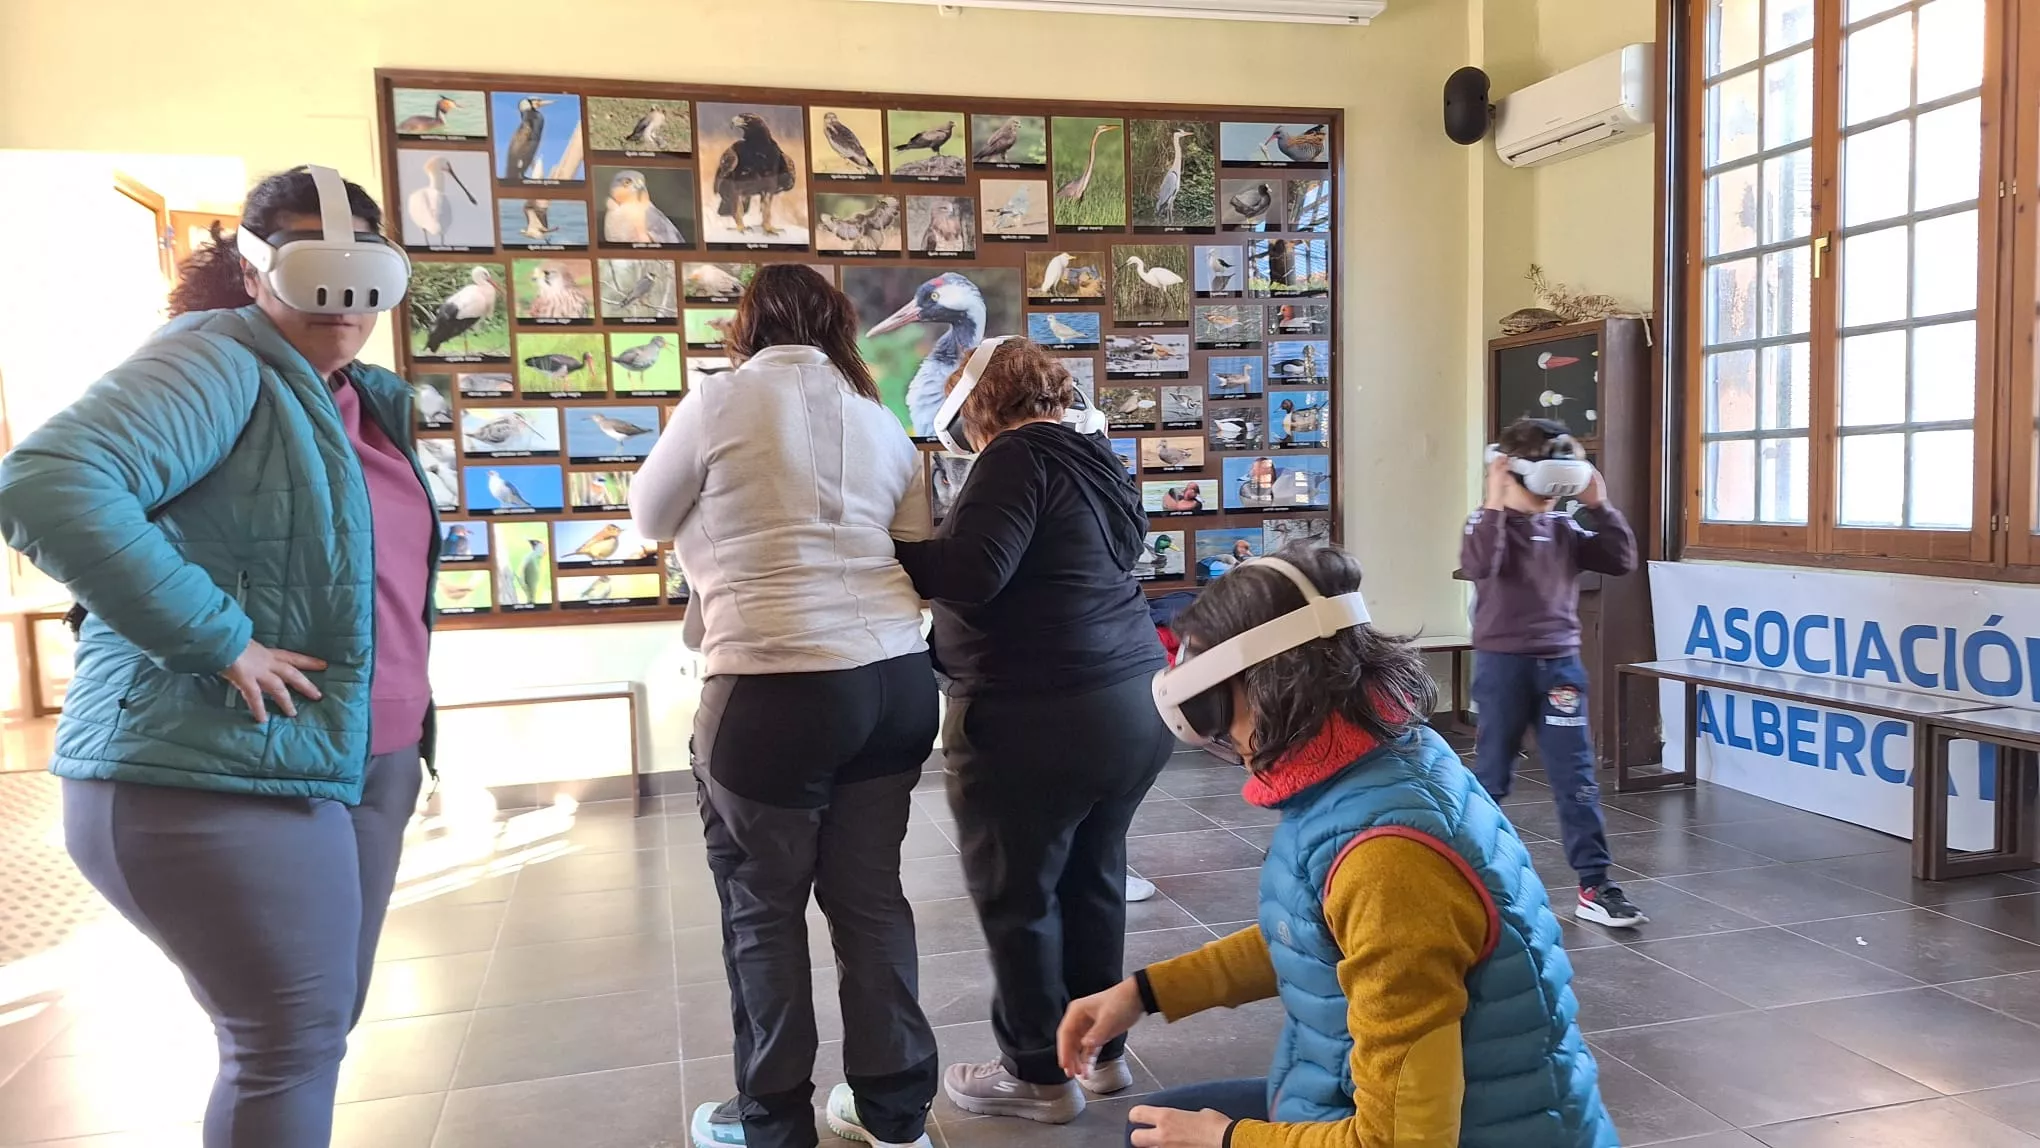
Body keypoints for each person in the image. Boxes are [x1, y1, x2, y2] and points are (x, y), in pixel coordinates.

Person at [0, 167, 435, 1148]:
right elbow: (48, 482)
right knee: (288, 1040)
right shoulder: (220, 357)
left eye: (361, 272)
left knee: (314, 1029)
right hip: (222, 765)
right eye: (312, 267)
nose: (342, 300)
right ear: (252, 272)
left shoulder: (354, 398)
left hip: (347, 764)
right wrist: (221, 639)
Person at [1059, 544, 1618, 1148]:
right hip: (1421, 1106)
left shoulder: (1387, 859)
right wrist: (1143, 993)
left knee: (1153, 1137)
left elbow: (1403, 1142)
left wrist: (1228, 1139)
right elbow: (1315, 935)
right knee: (1150, 1126)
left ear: (1269, 688)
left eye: (1216, 708)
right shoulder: (1393, 754)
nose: (1224, 735)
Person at [628, 263, 941, 1148]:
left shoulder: (718, 399)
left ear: (748, 324)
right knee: (871, 900)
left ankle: (773, 1124)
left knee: (763, 911)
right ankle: (895, 1115)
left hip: (773, 687)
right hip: (894, 681)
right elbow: (914, 540)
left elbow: (649, 516)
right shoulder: (879, 417)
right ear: (838, 325)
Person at [892, 338, 1173, 1125]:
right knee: (1092, 880)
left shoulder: (1015, 456)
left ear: (973, 405)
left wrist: (879, 549)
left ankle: (1037, 1077)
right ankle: (1101, 1055)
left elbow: (973, 572)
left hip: (1037, 719)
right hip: (1130, 704)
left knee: (1019, 897)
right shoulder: (1092, 456)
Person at [1463, 417, 1643, 926]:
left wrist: (1599, 506)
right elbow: (1480, 564)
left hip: (1561, 666)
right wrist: (1495, 498)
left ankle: (1595, 884)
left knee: (1576, 777)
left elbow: (1621, 559)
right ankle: (1468, 874)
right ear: (1509, 473)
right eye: (1542, 488)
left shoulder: (1564, 528)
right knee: (1493, 774)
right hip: (1503, 667)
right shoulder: (1484, 524)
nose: (1548, 500)